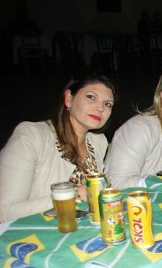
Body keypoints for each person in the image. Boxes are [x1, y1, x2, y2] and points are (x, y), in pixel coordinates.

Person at [0, 73, 116, 222]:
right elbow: (5, 211)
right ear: (68, 98)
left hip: (83, 229)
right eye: (91, 97)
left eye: (108, 104)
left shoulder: (98, 142)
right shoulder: (31, 136)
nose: (100, 108)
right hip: (36, 231)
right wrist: (73, 196)